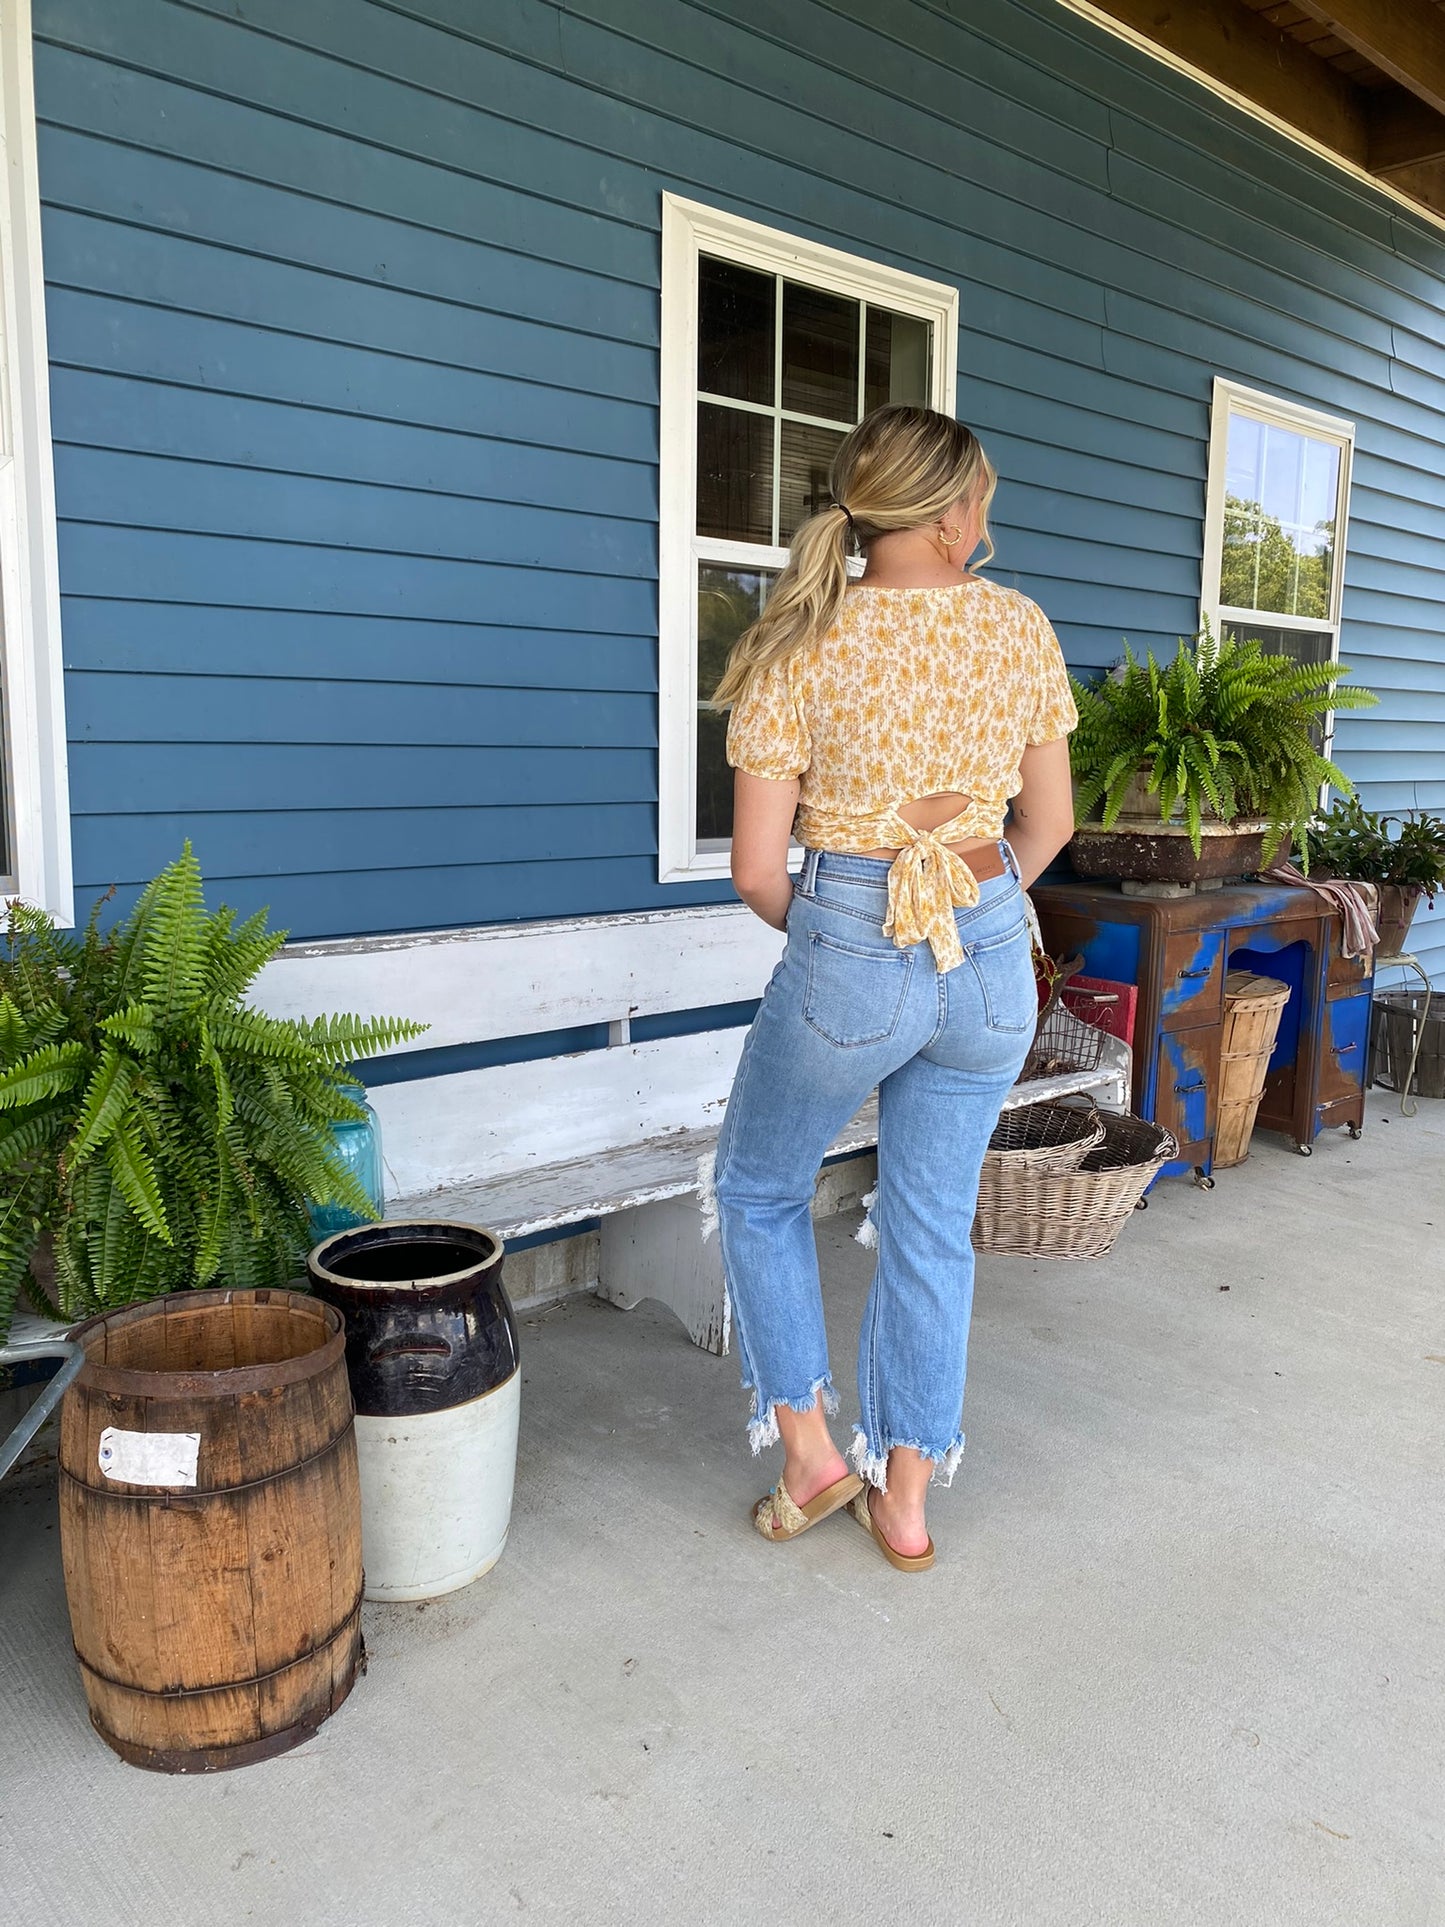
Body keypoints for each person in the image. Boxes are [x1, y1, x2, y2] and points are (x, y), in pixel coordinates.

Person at [710, 403, 1078, 1572]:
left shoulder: (797, 636)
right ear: (952, 506)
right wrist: (970, 898)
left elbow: (758, 873)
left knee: (760, 1186)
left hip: (852, 944)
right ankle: (905, 1500)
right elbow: (1050, 821)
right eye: (986, 499)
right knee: (929, 1225)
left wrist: (846, 932)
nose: (989, 521)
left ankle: (811, 1452)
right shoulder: (1016, 628)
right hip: (984, 953)